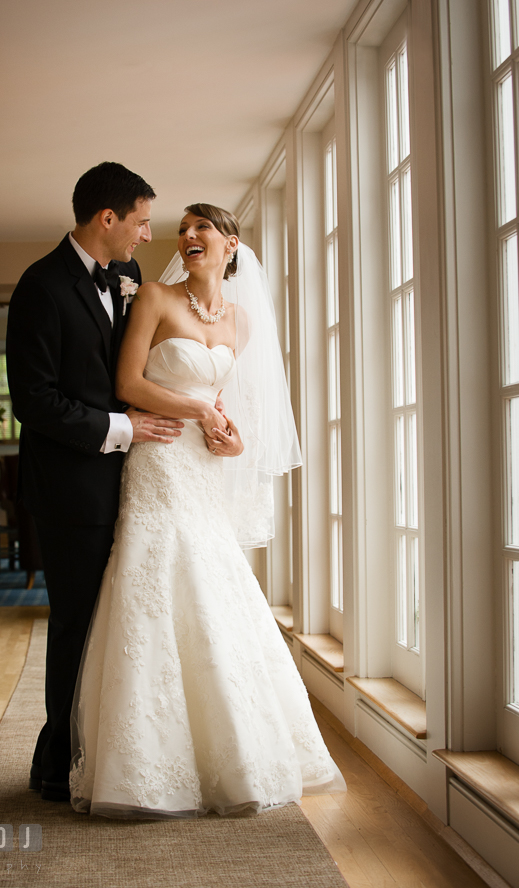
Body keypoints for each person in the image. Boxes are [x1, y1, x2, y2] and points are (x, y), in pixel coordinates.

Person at [69, 203, 346, 818]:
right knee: (156, 578)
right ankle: (146, 762)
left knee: (216, 587)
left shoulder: (243, 321)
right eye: (183, 229)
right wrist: (197, 413)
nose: (188, 236)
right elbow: (129, 384)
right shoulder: (154, 299)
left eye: (203, 229)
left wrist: (234, 437)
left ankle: (237, 751)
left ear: (230, 245)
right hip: (160, 457)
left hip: (205, 465)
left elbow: (228, 403)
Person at [6, 162, 184, 801]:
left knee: (127, 624)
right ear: (106, 219)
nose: (144, 236)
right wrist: (124, 429)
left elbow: (136, 369)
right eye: (139, 222)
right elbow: (34, 399)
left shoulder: (132, 278)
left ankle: (115, 753)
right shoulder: (40, 287)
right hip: (71, 493)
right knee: (79, 625)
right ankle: (58, 762)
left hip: (137, 487)